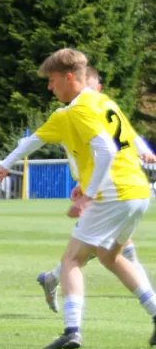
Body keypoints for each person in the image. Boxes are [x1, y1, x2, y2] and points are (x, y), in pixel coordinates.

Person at [0, 48, 156, 349]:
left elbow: (106, 150)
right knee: (111, 257)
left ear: (69, 78)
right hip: (137, 191)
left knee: (71, 259)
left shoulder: (78, 108)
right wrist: (7, 163)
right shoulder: (103, 102)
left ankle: (72, 331)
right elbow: (36, 141)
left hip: (113, 194)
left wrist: (88, 196)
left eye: (53, 80)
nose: (49, 87)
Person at [36, 66, 155, 313]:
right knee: (106, 252)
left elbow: (126, 139)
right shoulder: (76, 113)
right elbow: (92, 152)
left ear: (97, 89)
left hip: (113, 187)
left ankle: (52, 279)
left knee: (100, 250)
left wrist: (144, 150)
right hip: (105, 190)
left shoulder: (100, 108)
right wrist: (85, 185)